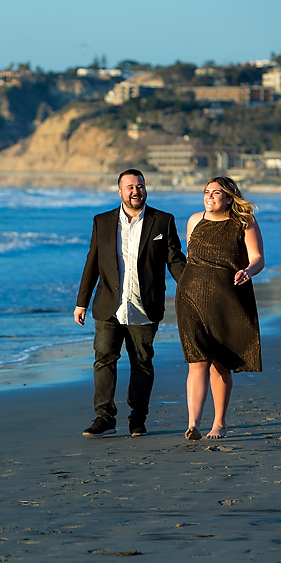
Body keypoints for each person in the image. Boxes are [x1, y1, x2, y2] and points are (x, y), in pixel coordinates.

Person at [74, 169, 187, 438]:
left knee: (142, 363)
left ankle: (138, 419)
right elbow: (92, 262)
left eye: (140, 186)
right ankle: (104, 417)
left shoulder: (163, 221)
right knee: (103, 360)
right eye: (130, 187)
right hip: (109, 304)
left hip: (144, 305)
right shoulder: (102, 221)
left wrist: (192, 289)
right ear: (120, 192)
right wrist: (82, 302)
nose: (136, 191)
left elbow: (175, 260)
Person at [175, 176, 264, 440]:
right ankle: (193, 424)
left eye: (216, 192)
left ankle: (219, 423)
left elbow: (258, 258)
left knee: (220, 364)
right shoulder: (194, 221)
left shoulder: (244, 222)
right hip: (190, 298)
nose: (209, 196)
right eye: (206, 192)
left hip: (226, 300)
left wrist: (248, 271)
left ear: (229, 197)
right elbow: (192, 258)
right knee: (196, 360)